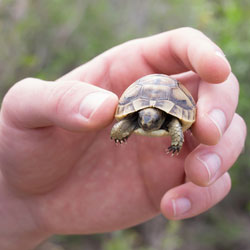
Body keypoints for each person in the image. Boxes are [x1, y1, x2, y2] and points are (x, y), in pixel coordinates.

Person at [0, 27, 246, 250]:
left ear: (158, 118)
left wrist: (176, 142)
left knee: (195, 129)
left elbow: (176, 125)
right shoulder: (134, 118)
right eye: (144, 120)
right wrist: (19, 199)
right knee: (127, 125)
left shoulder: (170, 121)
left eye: (151, 120)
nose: (147, 123)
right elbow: (124, 123)